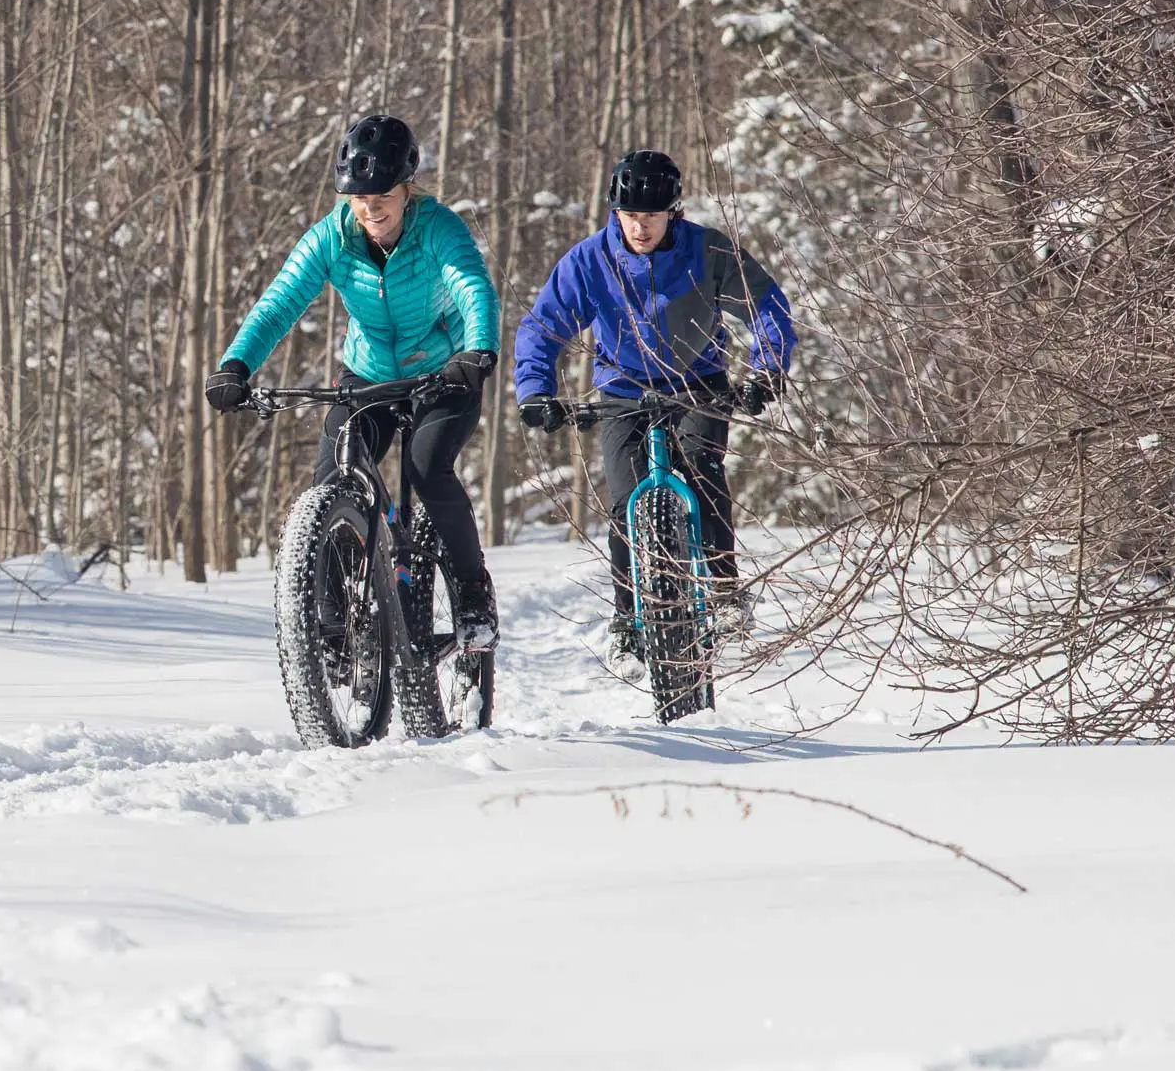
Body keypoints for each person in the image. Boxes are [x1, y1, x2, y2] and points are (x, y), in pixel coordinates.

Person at [204, 114, 503, 647]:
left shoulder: (438, 227)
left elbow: (472, 286)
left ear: (407, 187)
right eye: (359, 198)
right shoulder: (332, 237)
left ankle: (472, 591)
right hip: (369, 375)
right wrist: (236, 366)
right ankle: (334, 624)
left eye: (383, 195)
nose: (371, 209)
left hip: (446, 371)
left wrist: (478, 349)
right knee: (332, 478)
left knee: (427, 467)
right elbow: (279, 303)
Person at [511, 149, 794, 676]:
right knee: (625, 500)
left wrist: (766, 369)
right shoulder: (589, 261)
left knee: (702, 470)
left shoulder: (707, 251)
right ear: (615, 212)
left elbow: (766, 306)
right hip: (622, 390)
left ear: (674, 212)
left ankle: (724, 591)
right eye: (629, 215)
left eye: (651, 216)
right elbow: (542, 328)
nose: (639, 227)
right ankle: (627, 619)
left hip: (697, 384)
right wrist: (534, 390)